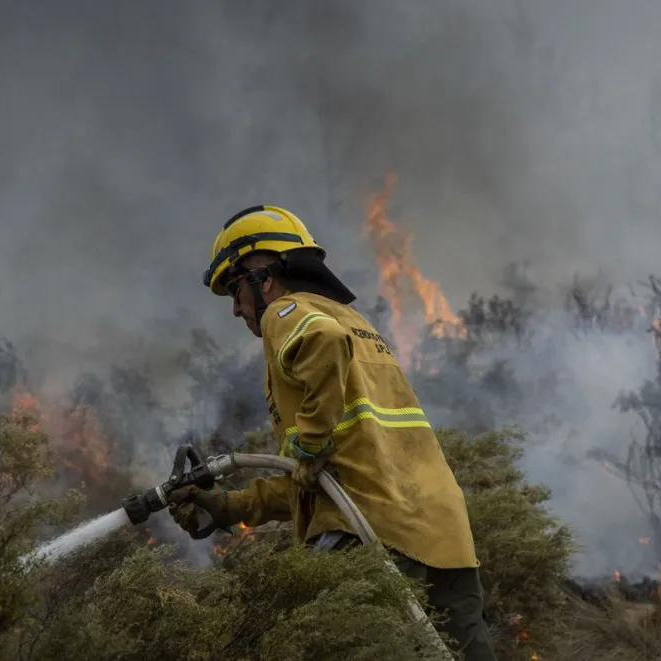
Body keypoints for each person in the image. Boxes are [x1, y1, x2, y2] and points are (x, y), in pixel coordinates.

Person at [169, 205, 498, 659]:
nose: (236, 309)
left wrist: (311, 442)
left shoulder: (287, 311)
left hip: (369, 534)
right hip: (443, 534)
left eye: (234, 289)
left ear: (263, 276)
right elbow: (324, 478)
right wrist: (232, 506)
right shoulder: (358, 326)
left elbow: (319, 350)